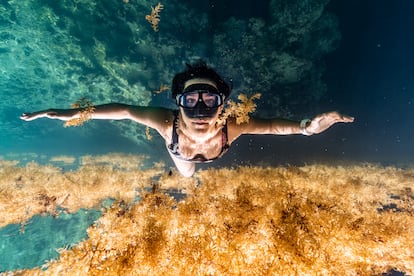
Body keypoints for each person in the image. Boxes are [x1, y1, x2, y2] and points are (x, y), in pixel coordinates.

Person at [20, 62, 354, 177]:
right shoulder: (166, 123)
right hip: (180, 153)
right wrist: (72, 113)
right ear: (178, 103)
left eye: (209, 100)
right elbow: (122, 109)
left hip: (214, 149)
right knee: (186, 174)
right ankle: (185, 178)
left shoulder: (230, 127)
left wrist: (307, 128)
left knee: (189, 171)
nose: (199, 109)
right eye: (190, 100)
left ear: (221, 103)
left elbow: (270, 126)